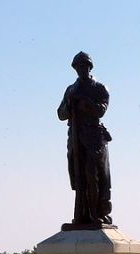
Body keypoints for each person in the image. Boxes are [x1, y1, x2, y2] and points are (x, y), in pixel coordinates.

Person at [58, 52, 113, 226]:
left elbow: (101, 110)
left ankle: (97, 214)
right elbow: (60, 114)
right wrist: (69, 103)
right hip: (75, 138)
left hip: (94, 138)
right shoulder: (70, 89)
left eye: (85, 66)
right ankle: (81, 216)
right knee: (79, 177)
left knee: (93, 175)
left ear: (90, 67)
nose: (81, 69)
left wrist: (84, 102)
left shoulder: (99, 88)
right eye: (78, 66)